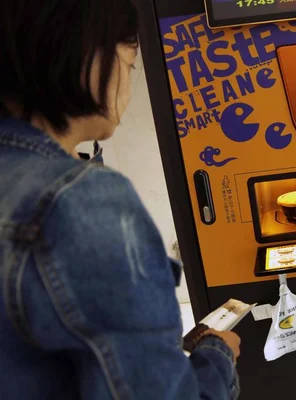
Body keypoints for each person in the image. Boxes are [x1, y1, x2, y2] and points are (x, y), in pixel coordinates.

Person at [0, 1, 241, 399]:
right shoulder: (78, 201)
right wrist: (217, 355)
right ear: (86, 53)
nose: (128, 84)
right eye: (130, 62)